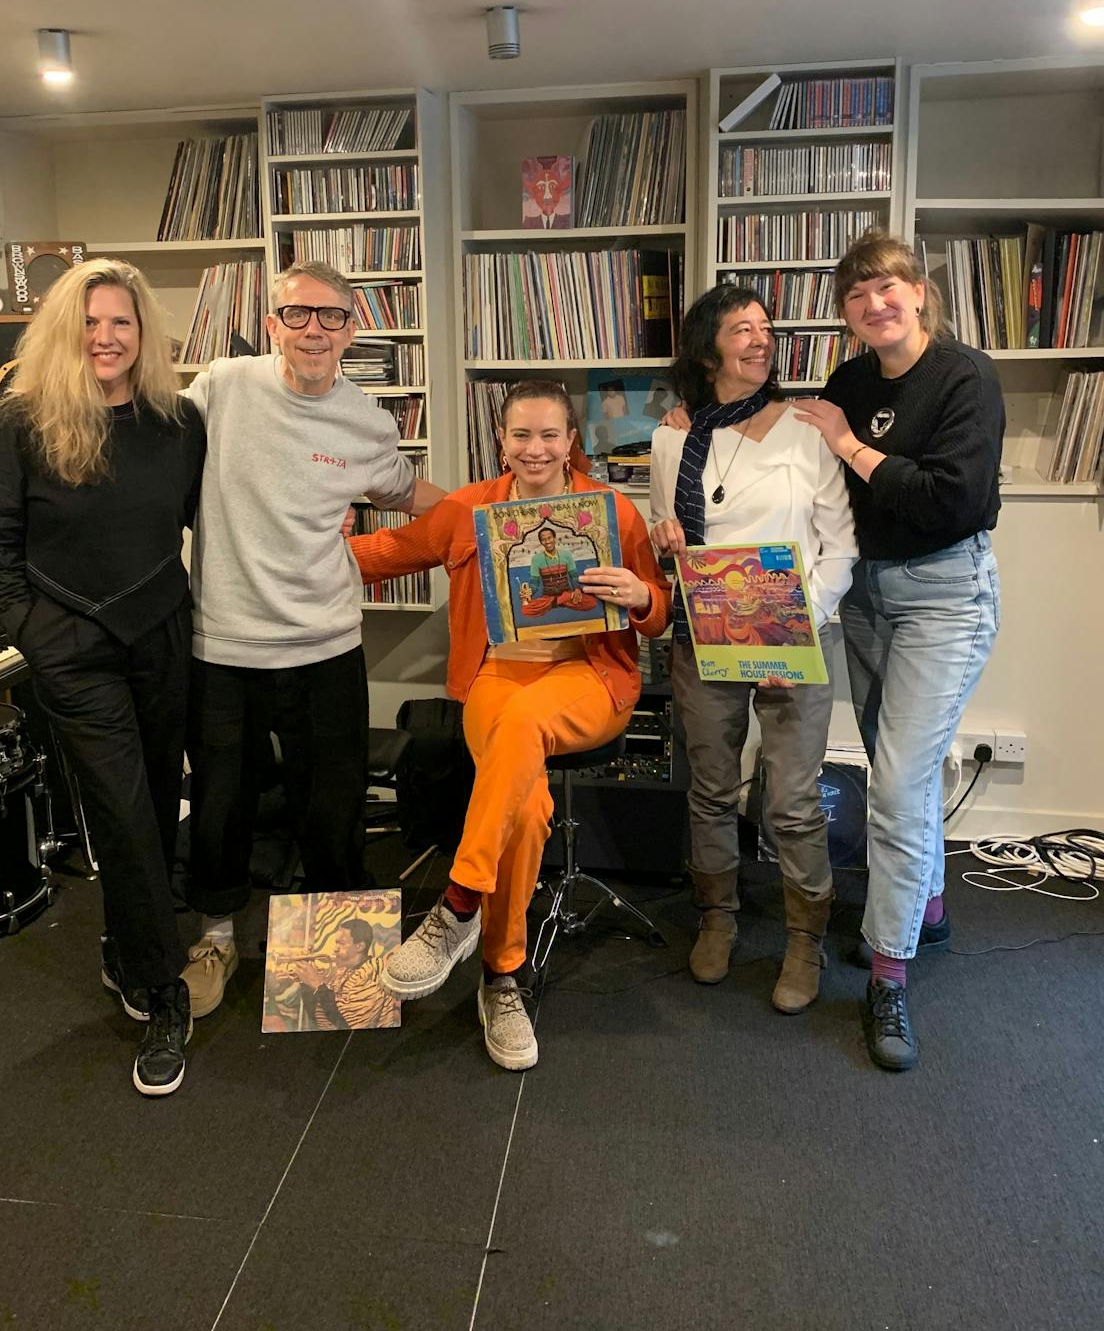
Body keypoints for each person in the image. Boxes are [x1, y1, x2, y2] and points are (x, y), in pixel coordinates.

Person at [348, 379, 671, 1071]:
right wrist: (310, 538)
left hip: (590, 680)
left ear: (571, 440)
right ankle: (501, 977)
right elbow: (387, 554)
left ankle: (459, 903)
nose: (536, 448)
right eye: (521, 434)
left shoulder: (614, 512)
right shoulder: (468, 509)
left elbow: (659, 612)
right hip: (495, 677)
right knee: (524, 813)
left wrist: (641, 594)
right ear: (501, 441)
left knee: (524, 723)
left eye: (550, 434)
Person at [181, 262, 446, 1019]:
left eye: (331, 316)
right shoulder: (221, 388)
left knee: (332, 804)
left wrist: (499, 510)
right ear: (273, 324)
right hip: (223, 645)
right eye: (298, 314)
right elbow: (155, 461)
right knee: (222, 801)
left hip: (326, 643)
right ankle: (215, 937)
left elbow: (408, 493)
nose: (313, 330)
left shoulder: (366, 420)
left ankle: (336, 959)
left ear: (352, 331)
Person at [0, 259, 204, 1097]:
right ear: (65, 330)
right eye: (90, 322)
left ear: (143, 334)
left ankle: (125, 949)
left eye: (121, 323)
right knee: (124, 813)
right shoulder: (23, 421)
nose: (106, 338)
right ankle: (165, 993)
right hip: (72, 647)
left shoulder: (177, 422)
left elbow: (187, 518)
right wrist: (42, 639)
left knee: (157, 802)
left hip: (161, 634)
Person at [793, 231, 1003, 1072]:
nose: (874, 303)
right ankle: (929, 912)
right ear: (845, 315)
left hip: (945, 595)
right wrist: (689, 419)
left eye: (887, 287)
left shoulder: (964, 377)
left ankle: (888, 975)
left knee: (894, 785)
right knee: (896, 770)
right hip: (867, 596)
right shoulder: (849, 382)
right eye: (856, 294)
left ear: (918, 292)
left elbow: (949, 500)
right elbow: (797, 445)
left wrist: (852, 446)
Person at [650, 285, 857, 1013]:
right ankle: (717, 918)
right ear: (708, 349)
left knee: (793, 799)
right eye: (742, 328)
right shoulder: (673, 436)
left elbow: (840, 545)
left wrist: (793, 626)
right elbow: (670, 536)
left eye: (765, 327)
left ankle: (805, 939)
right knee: (711, 788)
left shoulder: (808, 427)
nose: (760, 339)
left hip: (795, 636)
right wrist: (665, 540)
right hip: (704, 638)